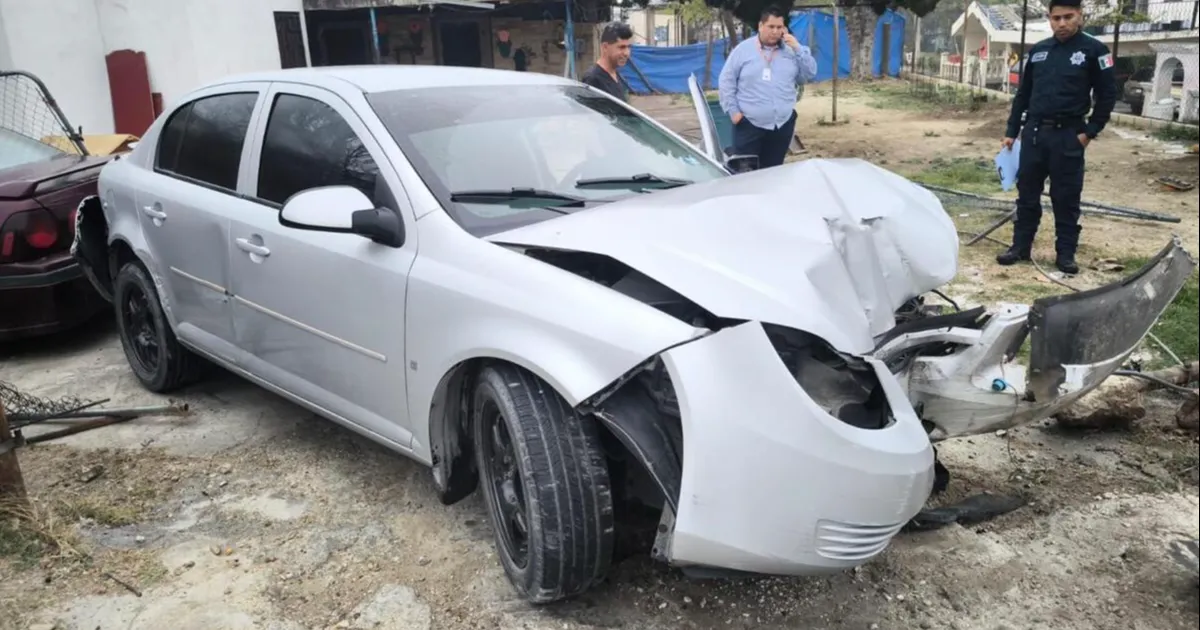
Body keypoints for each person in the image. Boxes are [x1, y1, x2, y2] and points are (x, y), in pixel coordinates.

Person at [997, 0, 1117, 275]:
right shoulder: (1039, 51)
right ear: (1049, 19)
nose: (1061, 23)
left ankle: (1065, 255)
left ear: (1080, 17)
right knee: (1027, 195)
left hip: (1069, 136)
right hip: (1035, 134)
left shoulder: (1094, 50)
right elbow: (1023, 95)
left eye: (1068, 17)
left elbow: (1108, 95)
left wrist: (1090, 132)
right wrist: (1011, 132)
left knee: (1065, 198)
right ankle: (1020, 247)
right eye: (1055, 18)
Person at [717, 6, 817, 169]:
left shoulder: (792, 51)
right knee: (745, 175)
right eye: (771, 27)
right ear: (760, 26)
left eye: (779, 27)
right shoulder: (743, 50)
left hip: (781, 125)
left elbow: (810, 73)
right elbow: (726, 81)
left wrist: (798, 48)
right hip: (749, 125)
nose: (775, 31)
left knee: (773, 173)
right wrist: (734, 112)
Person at [581, 23, 633, 102]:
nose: (626, 53)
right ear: (605, 47)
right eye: (622, 47)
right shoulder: (593, 79)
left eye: (629, 47)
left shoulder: (616, 74)